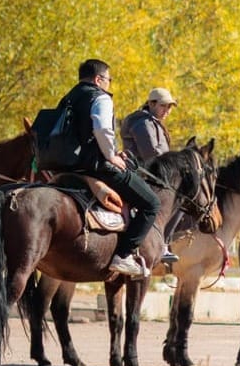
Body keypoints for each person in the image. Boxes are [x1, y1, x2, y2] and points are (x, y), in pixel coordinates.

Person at [50, 59, 161, 278]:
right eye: (109, 79)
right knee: (151, 203)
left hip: (66, 167)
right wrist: (112, 156)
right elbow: (102, 130)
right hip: (96, 167)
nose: (109, 84)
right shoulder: (99, 97)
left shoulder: (67, 98)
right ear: (98, 79)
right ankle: (125, 254)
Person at [123, 88, 177, 167]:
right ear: (151, 104)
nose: (167, 110)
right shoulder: (143, 124)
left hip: (153, 172)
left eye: (169, 107)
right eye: (163, 105)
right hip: (143, 174)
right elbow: (151, 156)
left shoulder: (152, 122)